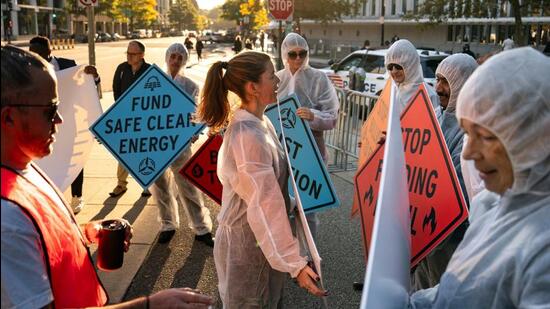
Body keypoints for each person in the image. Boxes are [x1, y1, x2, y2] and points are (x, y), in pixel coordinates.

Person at [1, 45, 214, 309]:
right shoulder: (7, 219)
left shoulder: (27, 169)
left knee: (187, 191)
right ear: (8, 117)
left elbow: (38, 240)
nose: (59, 120)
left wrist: (85, 232)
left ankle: (201, 227)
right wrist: (148, 305)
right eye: (50, 109)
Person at [410, 47, 550, 308]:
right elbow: (459, 288)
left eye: (485, 136)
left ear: (536, 134)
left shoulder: (543, 248)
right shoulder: (489, 205)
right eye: (466, 133)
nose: (471, 153)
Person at [196, 51, 327, 307]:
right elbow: (264, 203)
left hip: (259, 241)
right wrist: (294, 263)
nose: (278, 80)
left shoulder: (260, 122)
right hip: (246, 248)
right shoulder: (248, 135)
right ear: (253, 87)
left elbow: (269, 189)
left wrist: (292, 205)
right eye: (271, 76)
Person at [411, 53, 478, 291]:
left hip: (451, 235)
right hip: (424, 229)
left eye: (446, 82)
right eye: (437, 79)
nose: (438, 88)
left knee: (442, 290)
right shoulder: (436, 115)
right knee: (420, 284)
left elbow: (457, 187)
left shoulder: (471, 129)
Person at [276, 32, 339, 239]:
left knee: (308, 209)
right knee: (282, 206)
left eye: (302, 53)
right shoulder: (277, 79)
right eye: (292, 54)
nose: (297, 59)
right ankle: (289, 256)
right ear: (285, 54)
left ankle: (309, 258)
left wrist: (314, 116)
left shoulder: (319, 79)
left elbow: (332, 116)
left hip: (311, 153)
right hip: (283, 152)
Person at [29, 35, 101, 215]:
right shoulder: (29, 69)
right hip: (44, 124)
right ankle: (50, 196)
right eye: (31, 52)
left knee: (73, 158)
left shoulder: (68, 65)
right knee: (44, 159)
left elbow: (84, 85)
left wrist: (95, 76)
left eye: (37, 52)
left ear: (49, 51)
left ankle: (77, 197)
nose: (33, 55)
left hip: (69, 121)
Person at [151, 43, 214, 245]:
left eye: (180, 57)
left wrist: (194, 131)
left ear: (184, 60)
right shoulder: (155, 82)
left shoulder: (190, 86)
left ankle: (201, 228)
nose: (176, 60)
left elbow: (196, 114)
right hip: (157, 143)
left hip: (180, 144)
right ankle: (167, 225)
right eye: (173, 56)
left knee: (187, 186)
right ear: (167, 57)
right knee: (160, 187)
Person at [110, 40, 151, 198]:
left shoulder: (149, 71)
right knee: (124, 150)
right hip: (126, 118)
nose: (129, 56)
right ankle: (121, 184)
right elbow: (116, 89)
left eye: (132, 54)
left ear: (141, 55)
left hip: (145, 119)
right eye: (127, 53)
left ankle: (147, 184)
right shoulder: (122, 69)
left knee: (145, 150)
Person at [385, 39, 441, 117]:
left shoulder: (429, 95)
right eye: (390, 67)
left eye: (399, 66)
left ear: (411, 65)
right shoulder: (393, 91)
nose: (394, 71)